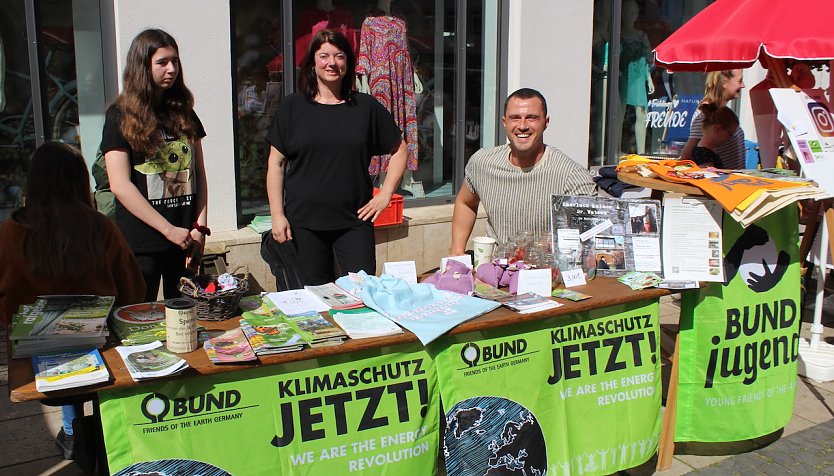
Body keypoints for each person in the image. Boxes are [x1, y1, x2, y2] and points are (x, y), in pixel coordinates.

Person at [0, 143, 145, 460]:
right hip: (97, 344)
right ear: (80, 181)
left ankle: (71, 431)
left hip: (32, 352)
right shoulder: (101, 228)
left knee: (61, 343)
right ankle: (94, 435)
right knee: (83, 341)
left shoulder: (9, 233)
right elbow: (133, 290)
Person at [266, 29, 407, 285]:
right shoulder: (293, 108)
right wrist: (277, 215)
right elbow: (275, 163)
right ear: (312, 63)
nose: (332, 63)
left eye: (339, 56)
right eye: (324, 56)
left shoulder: (365, 107)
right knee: (313, 299)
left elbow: (400, 149)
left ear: (348, 63)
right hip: (303, 223)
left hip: (354, 221)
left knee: (362, 295)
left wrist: (385, 194)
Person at [101, 29, 209, 301]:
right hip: (143, 243)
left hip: (184, 240)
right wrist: (168, 230)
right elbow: (120, 185)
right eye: (162, 62)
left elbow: (199, 175)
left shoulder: (184, 112)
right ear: (143, 66)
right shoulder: (120, 115)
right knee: (140, 323)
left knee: (185, 321)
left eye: (175, 61)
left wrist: (200, 228)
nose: (171, 69)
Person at [451, 88, 597, 255]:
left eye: (532, 118)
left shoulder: (572, 176)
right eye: (515, 118)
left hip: (546, 275)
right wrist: (456, 250)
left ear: (546, 122)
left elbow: (590, 237)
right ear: (504, 122)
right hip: (495, 271)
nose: (522, 126)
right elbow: (465, 203)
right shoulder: (482, 163)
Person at [680, 70, 746, 169]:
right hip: (720, 181)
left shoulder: (721, 112)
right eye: (740, 81)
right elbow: (686, 156)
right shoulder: (705, 115)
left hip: (732, 181)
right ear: (724, 82)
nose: (743, 85)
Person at [690, 103, 740, 168]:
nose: (729, 139)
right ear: (718, 128)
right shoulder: (705, 154)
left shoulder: (705, 152)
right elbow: (707, 175)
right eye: (729, 134)